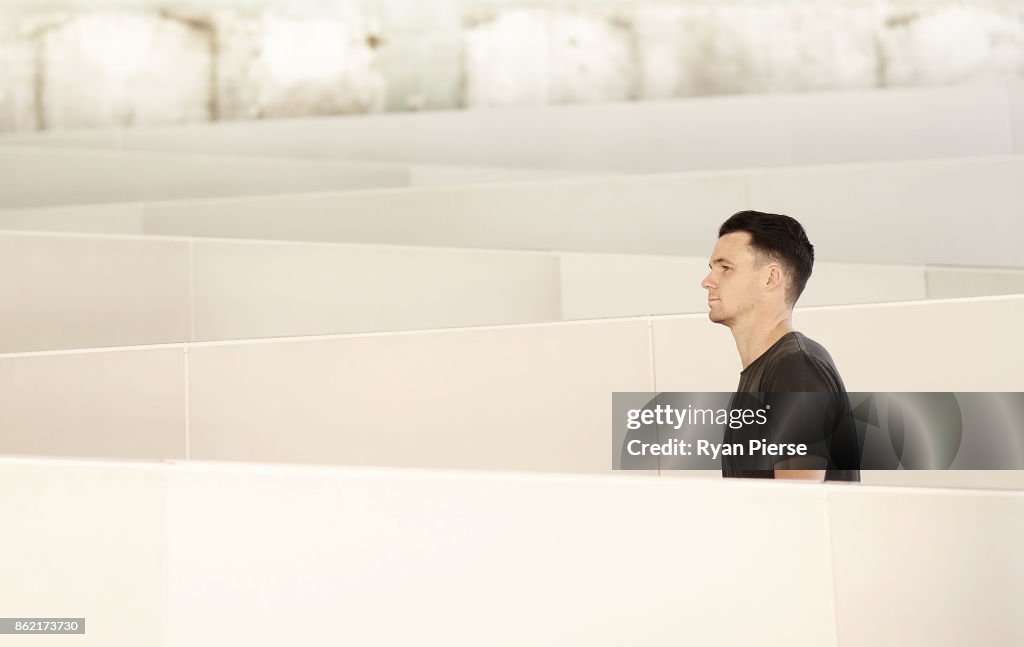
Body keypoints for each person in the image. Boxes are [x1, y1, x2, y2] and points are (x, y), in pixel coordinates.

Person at [700, 210, 860, 482]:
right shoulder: (771, 370)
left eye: (725, 268)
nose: (708, 281)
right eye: (712, 269)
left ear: (771, 278)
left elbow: (797, 508)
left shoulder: (796, 368)